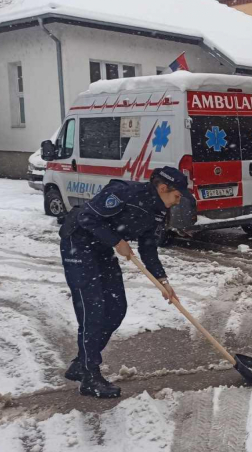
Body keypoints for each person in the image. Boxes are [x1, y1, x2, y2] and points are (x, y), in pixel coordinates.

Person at [59, 167, 192, 398]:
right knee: (93, 309)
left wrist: (163, 281)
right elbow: (86, 217)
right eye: (177, 196)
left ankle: (82, 363)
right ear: (163, 188)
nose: (178, 201)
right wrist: (116, 240)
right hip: (78, 243)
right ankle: (89, 376)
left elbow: (148, 249)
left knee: (116, 308)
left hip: (102, 248)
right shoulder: (124, 192)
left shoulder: (159, 212)